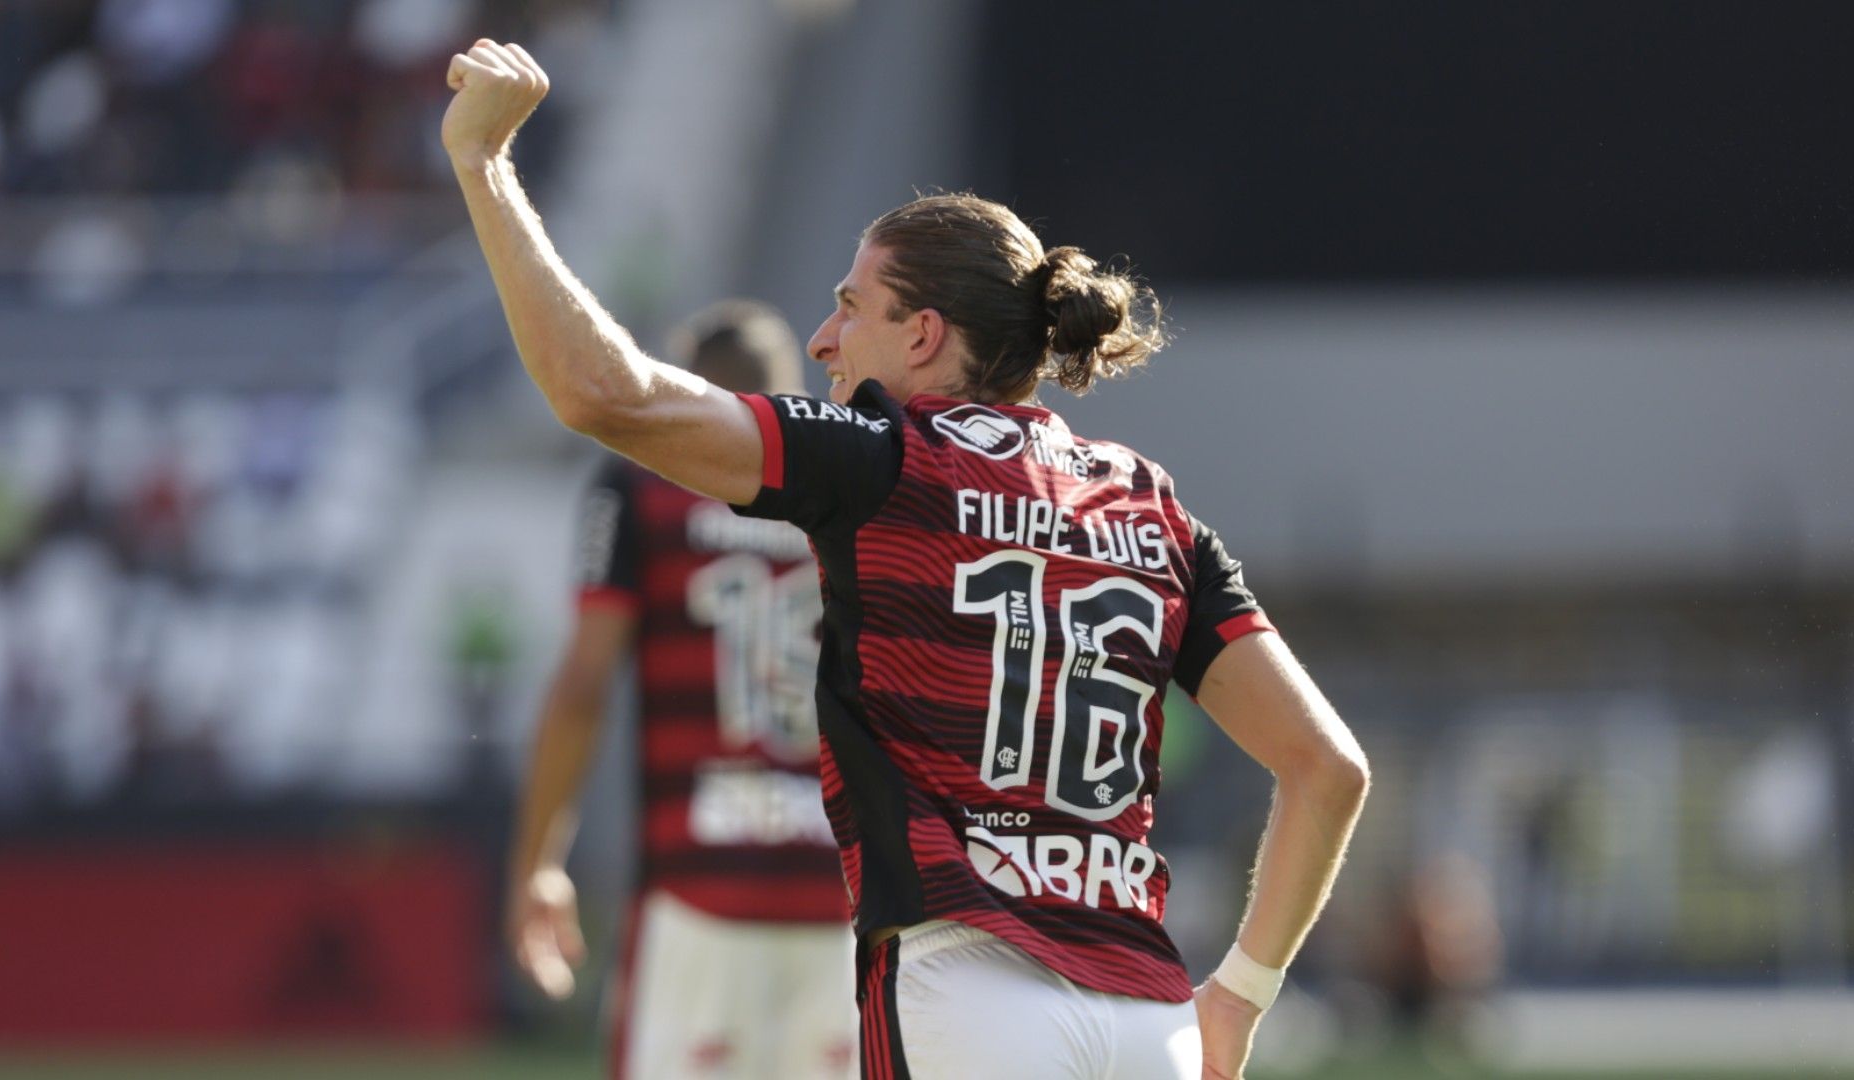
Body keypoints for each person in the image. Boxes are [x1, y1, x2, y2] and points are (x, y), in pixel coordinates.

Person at [445, 39, 1370, 1080]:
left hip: (967, 994)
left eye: (851, 305)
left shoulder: (887, 459)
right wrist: (1240, 995)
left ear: (923, 334)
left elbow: (606, 396)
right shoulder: (1150, 503)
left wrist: (485, 167)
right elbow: (1328, 768)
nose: (823, 338)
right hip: (1145, 1017)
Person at [506, 299, 857, 1079]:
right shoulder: (848, 492)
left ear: (689, 390)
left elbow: (583, 684)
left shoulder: (639, 485)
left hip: (697, 890)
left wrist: (538, 862)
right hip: (845, 896)